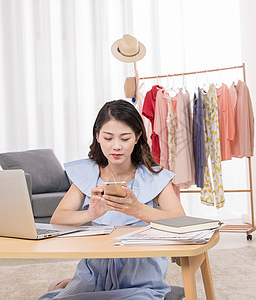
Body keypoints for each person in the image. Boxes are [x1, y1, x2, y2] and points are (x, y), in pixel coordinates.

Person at [39, 99, 185, 300]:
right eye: (108, 138)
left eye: (125, 138)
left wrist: (137, 209)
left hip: (140, 273)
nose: (116, 147)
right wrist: (90, 213)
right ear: (97, 136)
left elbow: (181, 221)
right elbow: (58, 219)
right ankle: (67, 285)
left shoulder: (154, 176)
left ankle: (65, 285)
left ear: (137, 137)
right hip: (95, 270)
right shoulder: (88, 172)